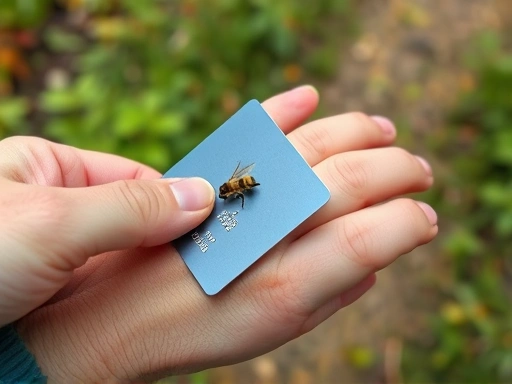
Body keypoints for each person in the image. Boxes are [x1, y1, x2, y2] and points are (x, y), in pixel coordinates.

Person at [0, 86, 437, 383]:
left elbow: (242, 183)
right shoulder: (234, 188)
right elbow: (238, 184)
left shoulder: (238, 187)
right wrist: (88, 352)